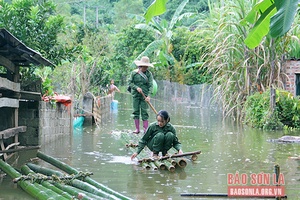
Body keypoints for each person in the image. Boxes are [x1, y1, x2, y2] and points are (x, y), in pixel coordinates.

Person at [128, 56, 154, 134]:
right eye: (144, 66)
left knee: (144, 112)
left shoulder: (149, 74)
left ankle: (146, 130)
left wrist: (149, 96)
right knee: (136, 111)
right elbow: (130, 82)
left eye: (147, 66)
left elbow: (151, 85)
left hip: (144, 96)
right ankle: (137, 129)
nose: (145, 68)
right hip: (136, 95)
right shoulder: (134, 73)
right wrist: (136, 88)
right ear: (141, 65)